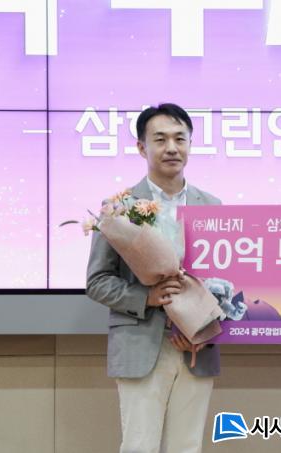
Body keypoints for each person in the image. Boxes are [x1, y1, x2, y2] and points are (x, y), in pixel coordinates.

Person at [86, 103, 221, 453]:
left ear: (190, 144)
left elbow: (228, 283)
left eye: (180, 138)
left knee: (187, 446)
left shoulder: (213, 206)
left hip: (195, 348)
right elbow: (97, 281)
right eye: (160, 139)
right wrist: (146, 297)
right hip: (141, 343)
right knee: (139, 446)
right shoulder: (119, 208)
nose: (171, 148)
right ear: (141, 147)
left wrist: (204, 329)